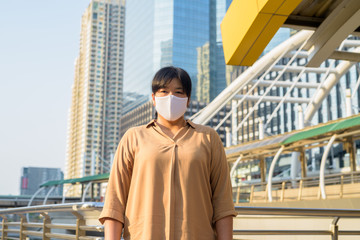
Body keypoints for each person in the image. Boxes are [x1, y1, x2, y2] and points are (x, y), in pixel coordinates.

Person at [99, 66, 236, 240]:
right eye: (164, 91)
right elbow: (114, 201)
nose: (171, 97)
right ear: (154, 98)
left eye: (179, 92)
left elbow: (222, 202)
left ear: (187, 100)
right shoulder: (133, 137)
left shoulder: (208, 138)